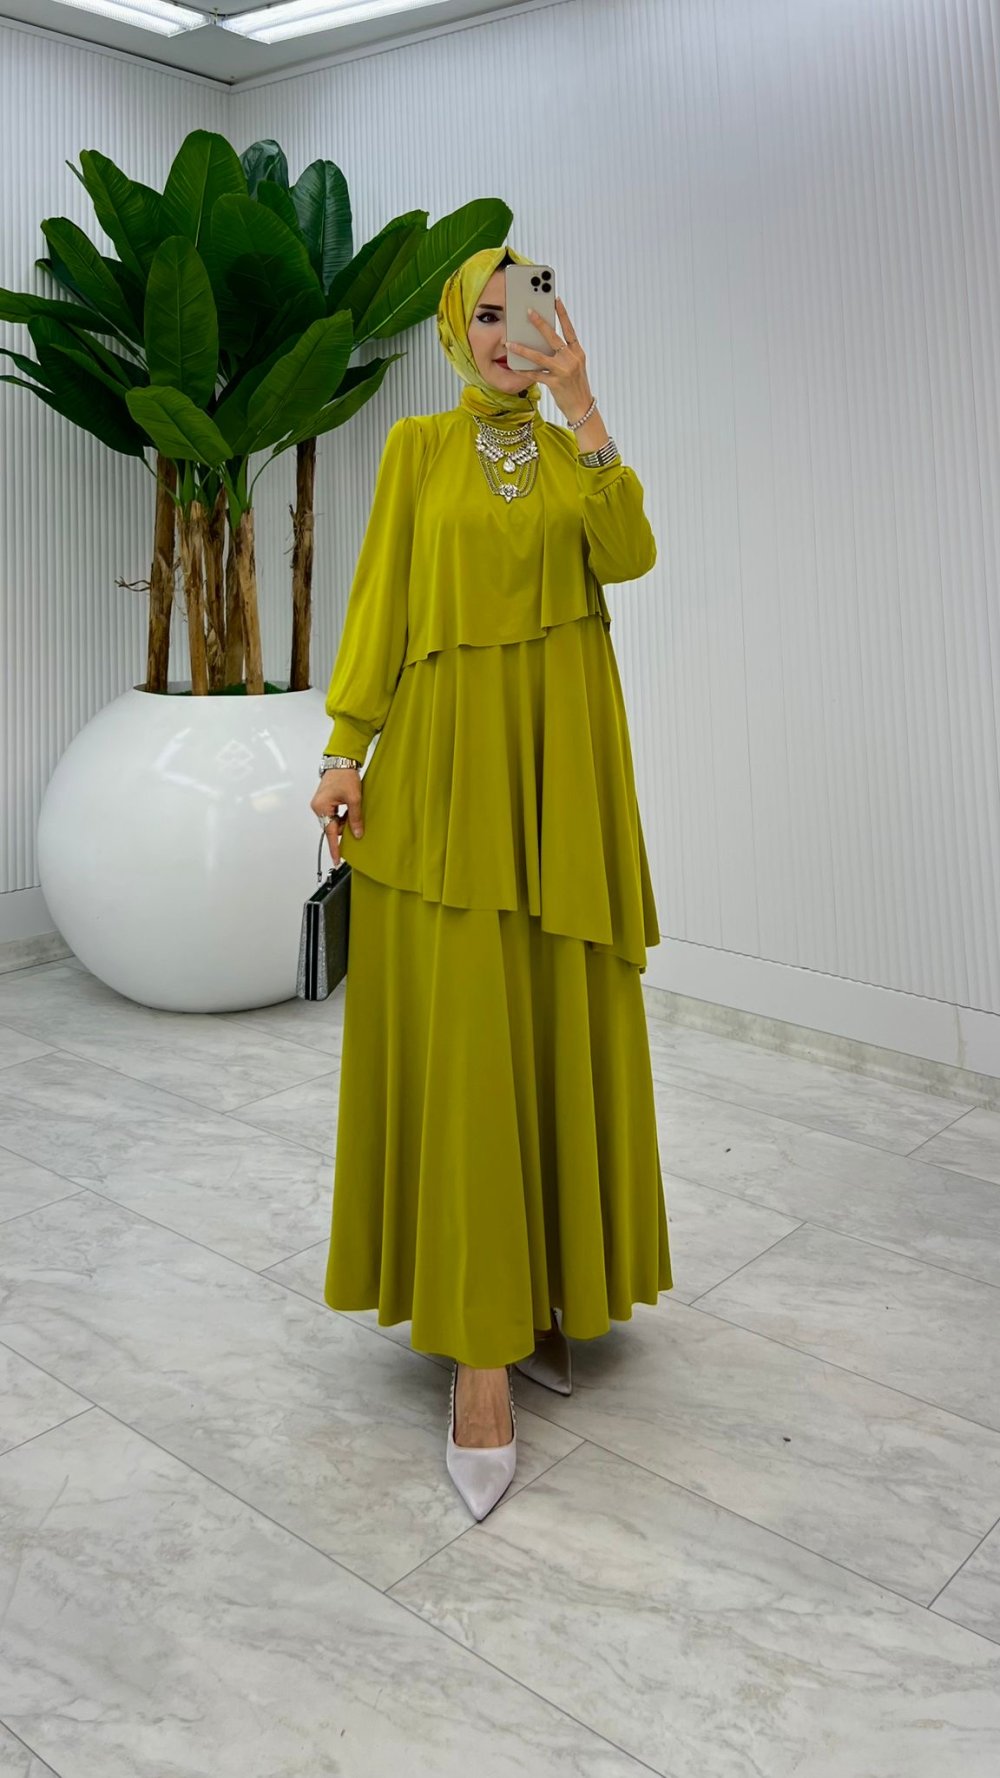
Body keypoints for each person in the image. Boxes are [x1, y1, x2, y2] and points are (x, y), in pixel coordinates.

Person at [310, 244, 673, 1521]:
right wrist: (343, 749)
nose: (508, 331)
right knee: (468, 1037)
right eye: (485, 312)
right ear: (456, 331)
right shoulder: (415, 451)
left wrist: (585, 406)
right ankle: (477, 1351)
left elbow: (629, 555)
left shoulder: (576, 456)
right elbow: (378, 605)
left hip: (563, 775)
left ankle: (553, 1284)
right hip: (449, 780)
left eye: (528, 310)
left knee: (554, 1014)